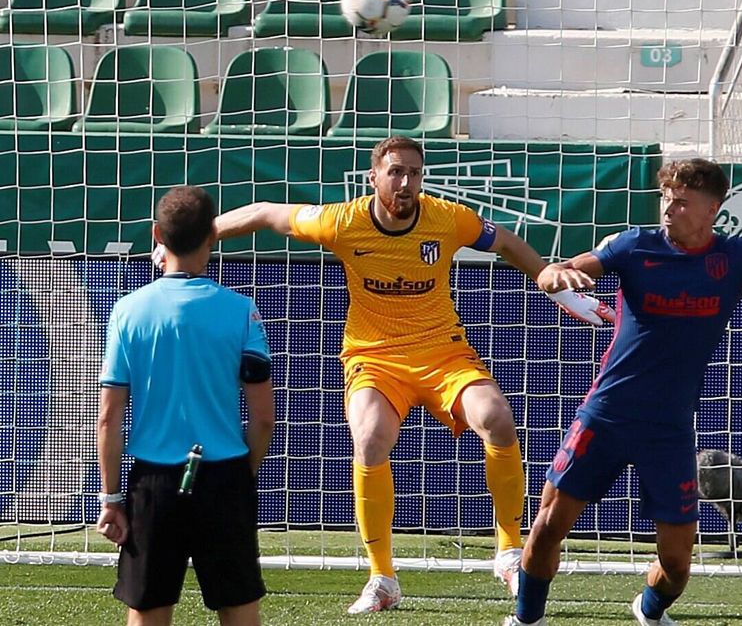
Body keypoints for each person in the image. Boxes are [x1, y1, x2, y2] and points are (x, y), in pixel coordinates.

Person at [212, 136, 611, 614]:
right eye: (396, 172)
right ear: (373, 178)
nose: (405, 183)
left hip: (443, 353)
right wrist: (193, 237)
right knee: (370, 439)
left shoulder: (447, 218)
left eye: (414, 174)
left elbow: (503, 241)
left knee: (498, 419)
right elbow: (263, 212)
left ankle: (508, 551)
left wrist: (547, 276)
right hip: (375, 358)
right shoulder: (342, 221)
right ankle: (382, 578)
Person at [505, 157, 742, 626]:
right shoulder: (633, 246)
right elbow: (572, 267)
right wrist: (556, 273)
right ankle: (525, 620)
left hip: (669, 430)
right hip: (607, 414)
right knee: (547, 526)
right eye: (666, 197)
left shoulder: (735, 258)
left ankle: (648, 611)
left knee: (678, 563)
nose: (669, 208)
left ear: (713, 209)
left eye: (682, 201)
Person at [95, 186, 276, 626]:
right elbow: (264, 418)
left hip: (152, 483)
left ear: (157, 235)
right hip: (224, 476)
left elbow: (109, 417)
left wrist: (112, 497)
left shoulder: (128, 310)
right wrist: (238, 476)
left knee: (148, 611)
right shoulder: (241, 311)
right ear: (212, 237)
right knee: (239, 610)